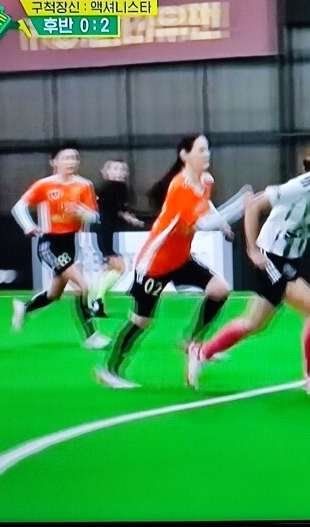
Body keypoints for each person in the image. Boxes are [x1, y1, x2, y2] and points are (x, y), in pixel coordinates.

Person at [186, 133, 310, 400]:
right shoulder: (298, 187)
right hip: (271, 258)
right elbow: (253, 206)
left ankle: (201, 352)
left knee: (254, 323)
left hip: (290, 260)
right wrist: (252, 250)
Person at [97, 134, 251, 389]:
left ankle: (191, 342)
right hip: (155, 263)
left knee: (219, 290)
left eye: (207, 149)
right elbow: (203, 223)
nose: (207, 154)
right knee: (141, 321)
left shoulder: (206, 180)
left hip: (180, 259)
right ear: (184, 155)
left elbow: (206, 206)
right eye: (201, 149)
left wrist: (224, 225)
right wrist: (239, 206)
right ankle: (109, 369)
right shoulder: (180, 187)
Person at [10, 142, 110, 349]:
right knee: (83, 286)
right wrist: (29, 226)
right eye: (66, 158)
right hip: (49, 243)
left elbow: (95, 216)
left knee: (54, 294)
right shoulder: (44, 185)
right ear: (54, 162)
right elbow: (19, 207)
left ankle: (24, 309)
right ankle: (91, 337)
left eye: (75, 158)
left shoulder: (84, 185)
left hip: (71, 243)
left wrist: (81, 212)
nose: (71, 162)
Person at [89, 158, 144, 318]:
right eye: (115, 169)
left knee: (108, 269)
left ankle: (93, 301)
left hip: (104, 230)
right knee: (121, 267)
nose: (119, 172)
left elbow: (116, 209)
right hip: (103, 231)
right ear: (105, 172)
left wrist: (129, 218)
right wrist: (128, 217)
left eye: (122, 170)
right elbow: (112, 208)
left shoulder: (117, 189)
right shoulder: (109, 188)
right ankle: (97, 301)